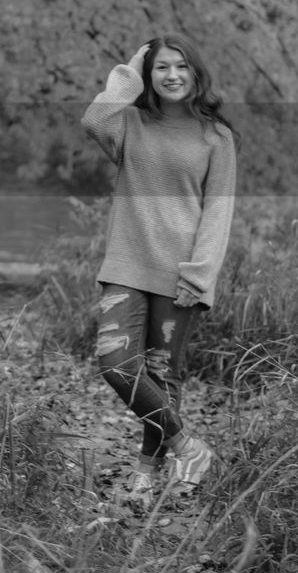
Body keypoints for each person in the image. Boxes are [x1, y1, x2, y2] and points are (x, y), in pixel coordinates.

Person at [80, 32, 237, 510]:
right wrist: (132, 66)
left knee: (162, 373)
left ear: (195, 74)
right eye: (162, 67)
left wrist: (200, 275)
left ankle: (147, 472)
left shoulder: (216, 137)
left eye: (181, 66)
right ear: (149, 75)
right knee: (116, 363)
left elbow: (218, 211)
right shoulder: (130, 123)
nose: (172, 76)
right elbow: (93, 118)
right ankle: (188, 448)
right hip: (126, 264)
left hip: (179, 274)